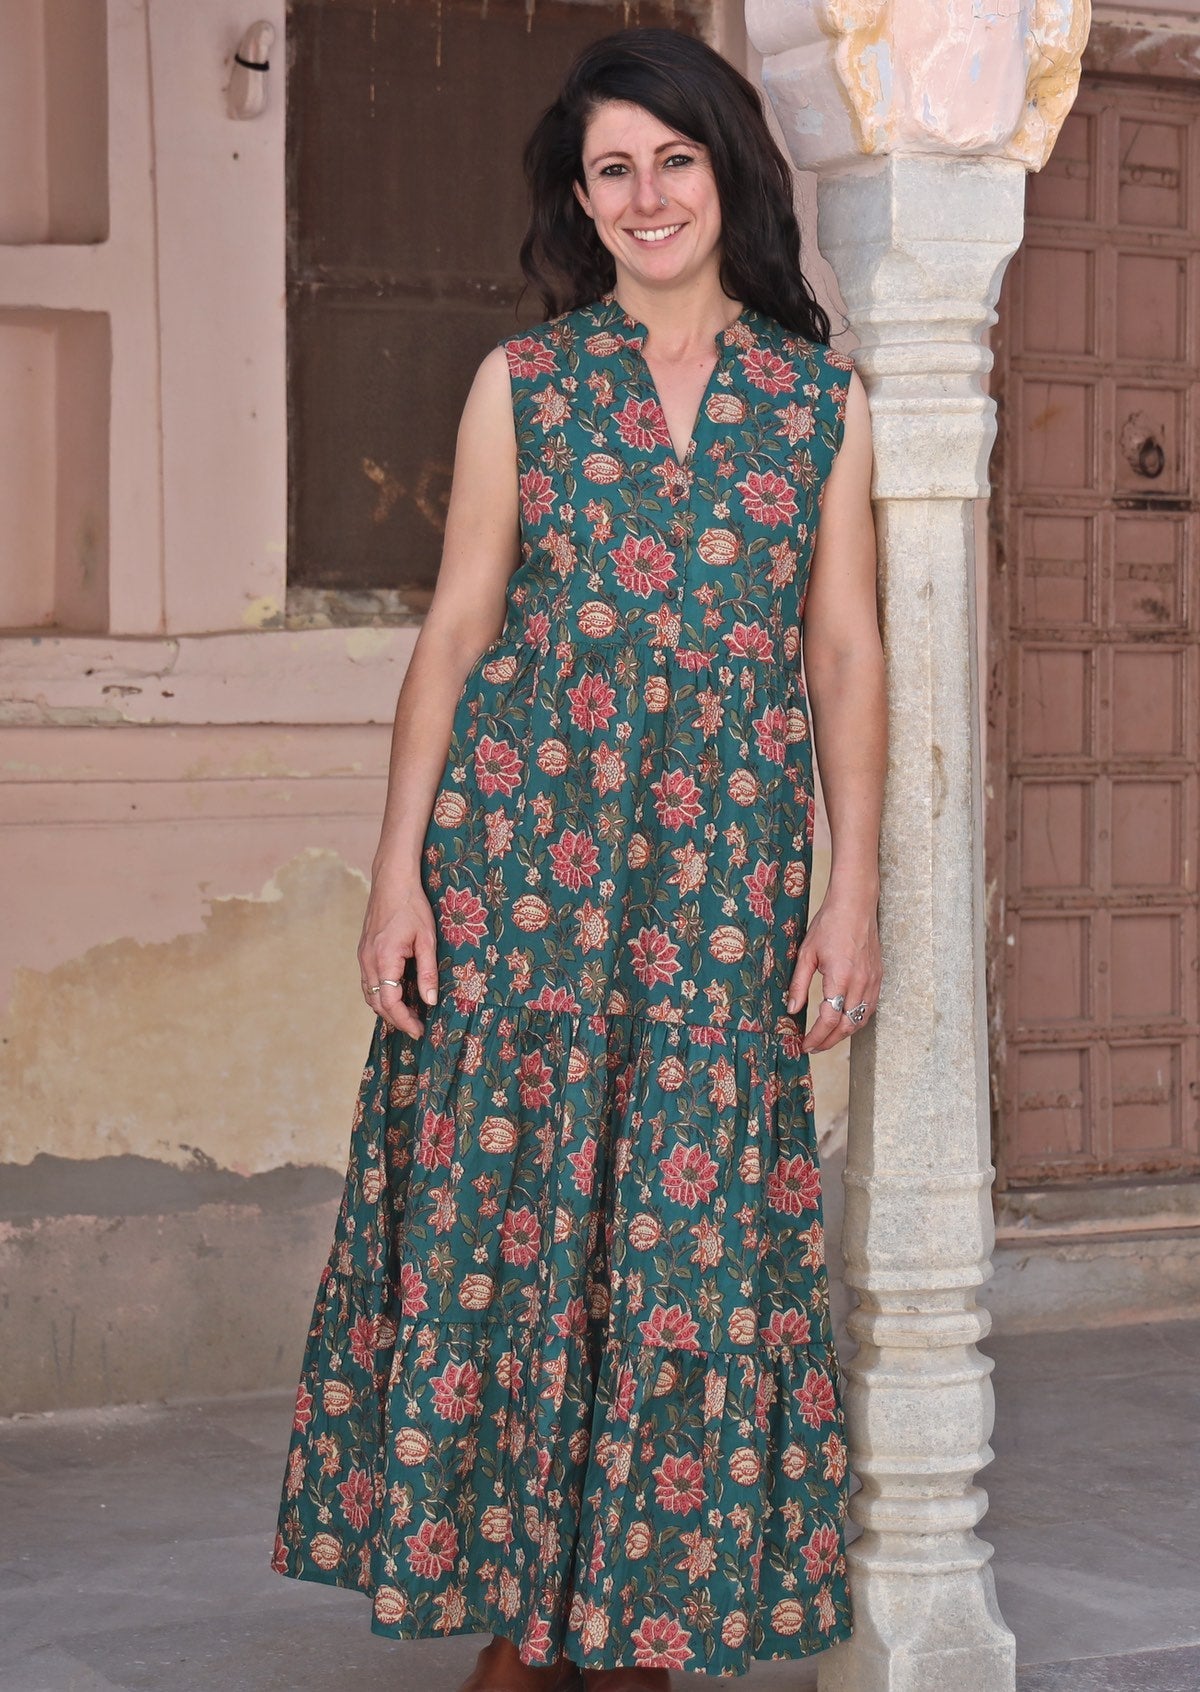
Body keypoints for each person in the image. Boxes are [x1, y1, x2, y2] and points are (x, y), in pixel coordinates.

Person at [273, 25, 885, 1690]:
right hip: (524, 869)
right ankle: (524, 1625)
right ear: (581, 197)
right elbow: (456, 632)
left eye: (673, 159)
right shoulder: (527, 385)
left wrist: (852, 891)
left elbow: (843, 654)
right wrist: (397, 878)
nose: (645, 194)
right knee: (517, 1220)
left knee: (687, 1237)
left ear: (727, 171)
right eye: (612, 168)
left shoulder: (816, 402)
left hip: (722, 884)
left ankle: (635, 1629)